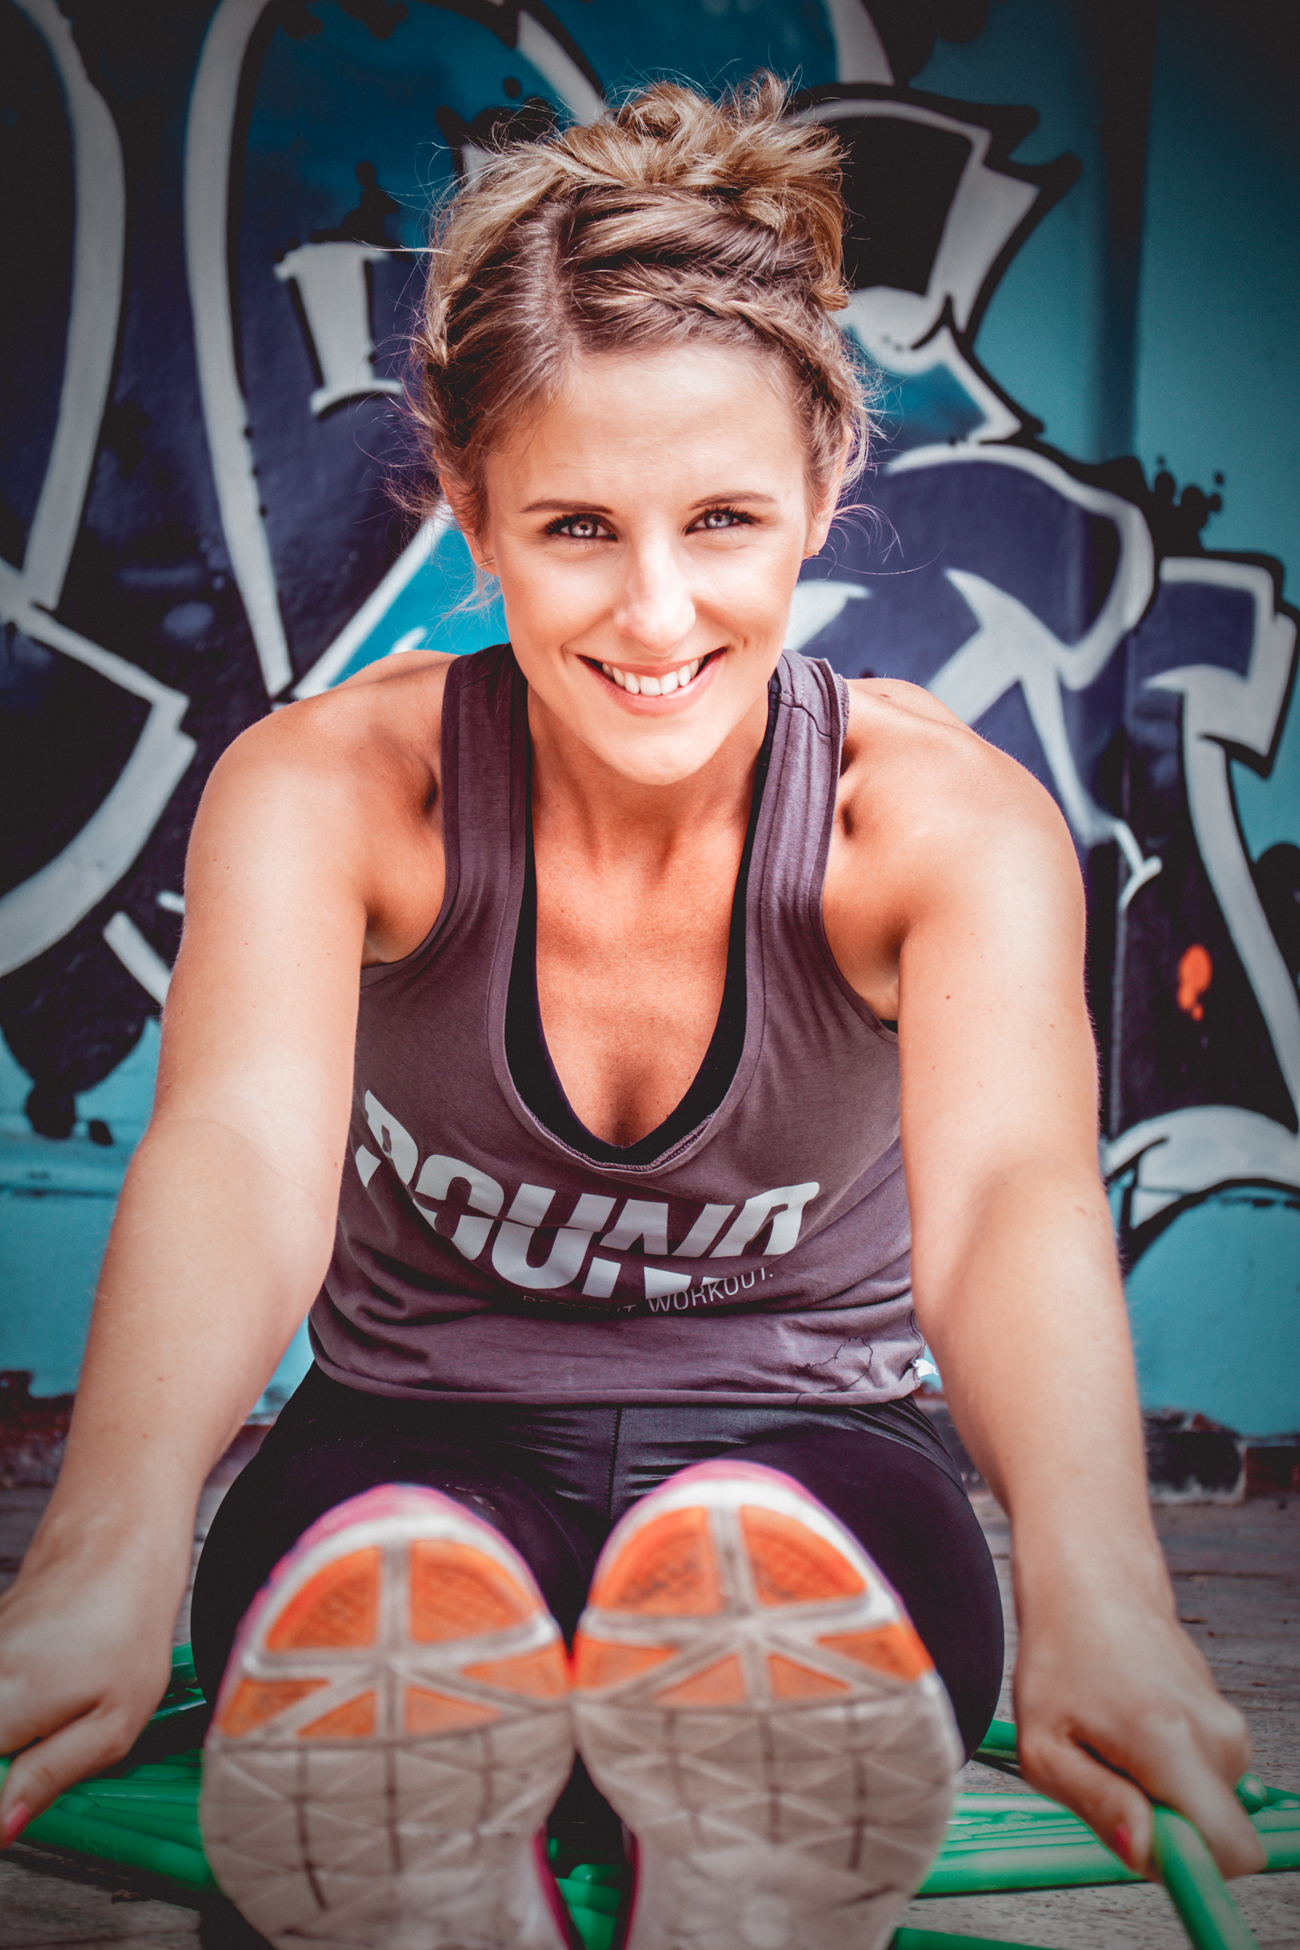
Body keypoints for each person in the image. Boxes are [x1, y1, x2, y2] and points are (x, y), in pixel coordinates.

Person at [0, 74, 1262, 1950]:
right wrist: (100, 1560)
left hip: (820, 1465)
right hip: (410, 1455)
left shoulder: (943, 828)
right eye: (579, 526)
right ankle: (438, 1816)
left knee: (777, 1603)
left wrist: (1107, 1599)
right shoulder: (328, 792)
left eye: (724, 518)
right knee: (398, 1609)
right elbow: (243, 1155)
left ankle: (723, 1821)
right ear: (472, 513)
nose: (657, 613)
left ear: (823, 492)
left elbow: (1010, 1199)